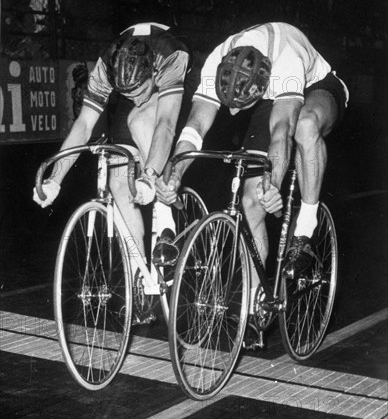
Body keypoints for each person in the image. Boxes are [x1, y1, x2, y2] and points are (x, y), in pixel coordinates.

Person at [157, 21, 349, 315]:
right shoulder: (217, 61)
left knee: (305, 127)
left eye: (237, 107)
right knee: (250, 201)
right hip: (269, 99)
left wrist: (272, 183)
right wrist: (175, 175)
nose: (232, 113)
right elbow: (195, 127)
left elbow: (282, 131)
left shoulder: (287, 62)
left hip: (316, 87)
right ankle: (254, 301)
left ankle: (306, 226)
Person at [33, 21, 197, 268]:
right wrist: (55, 179)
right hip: (133, 79)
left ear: (151, 72)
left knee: (141, 120)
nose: (136, 99)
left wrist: (149, 177)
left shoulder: (170, 57)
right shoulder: (107, 66)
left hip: (173, 84)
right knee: (118, 179)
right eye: (129, 94)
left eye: (138, 92)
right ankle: (137, 268)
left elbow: (165, 124)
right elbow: (83, 126)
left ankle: (165, 217)